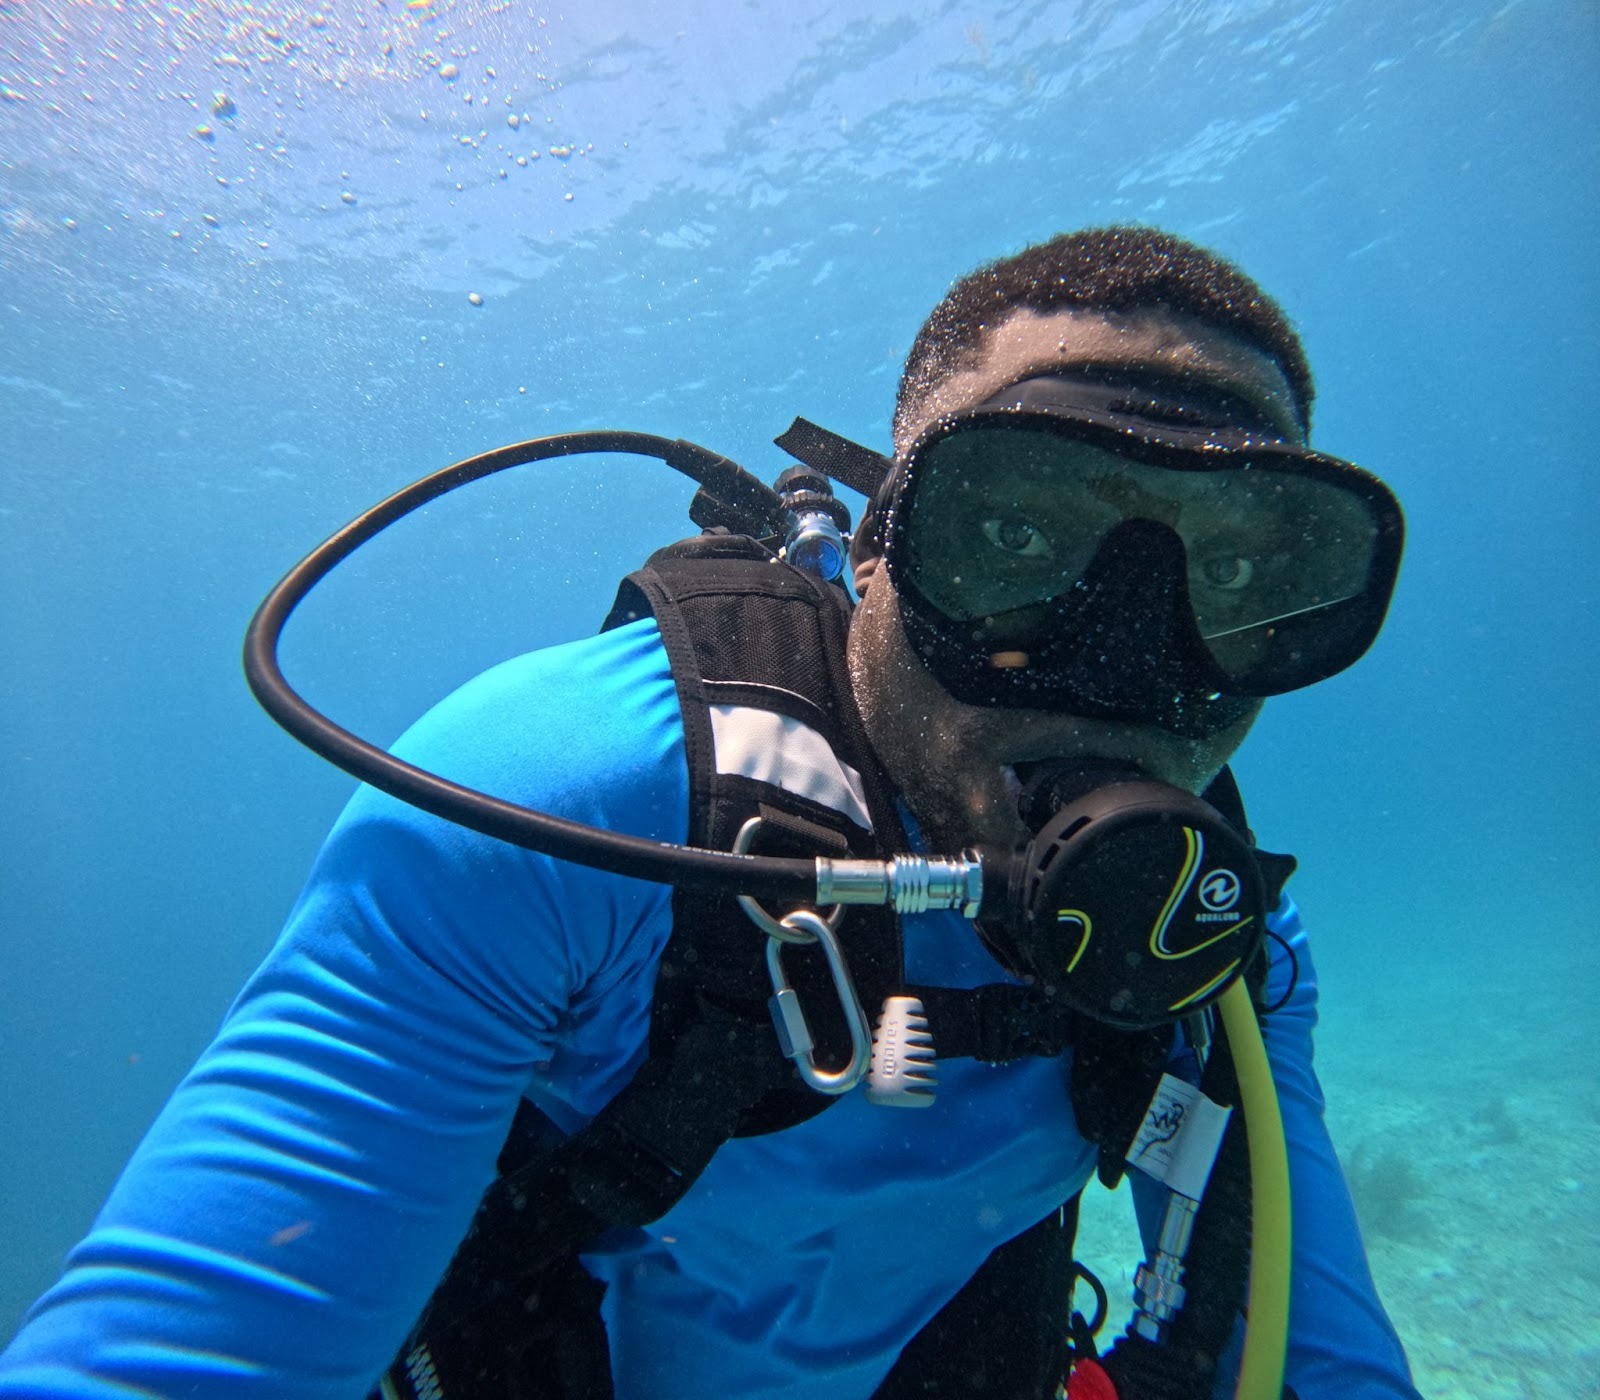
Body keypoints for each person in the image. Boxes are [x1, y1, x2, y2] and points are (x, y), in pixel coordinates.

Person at [0, 227, 1420, 1400]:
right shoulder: (561, 800)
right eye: (1009, 532)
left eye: (1240, 573)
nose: (1124, 664)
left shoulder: (1216, 936)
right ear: (878, 553)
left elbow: (1315, 1352)